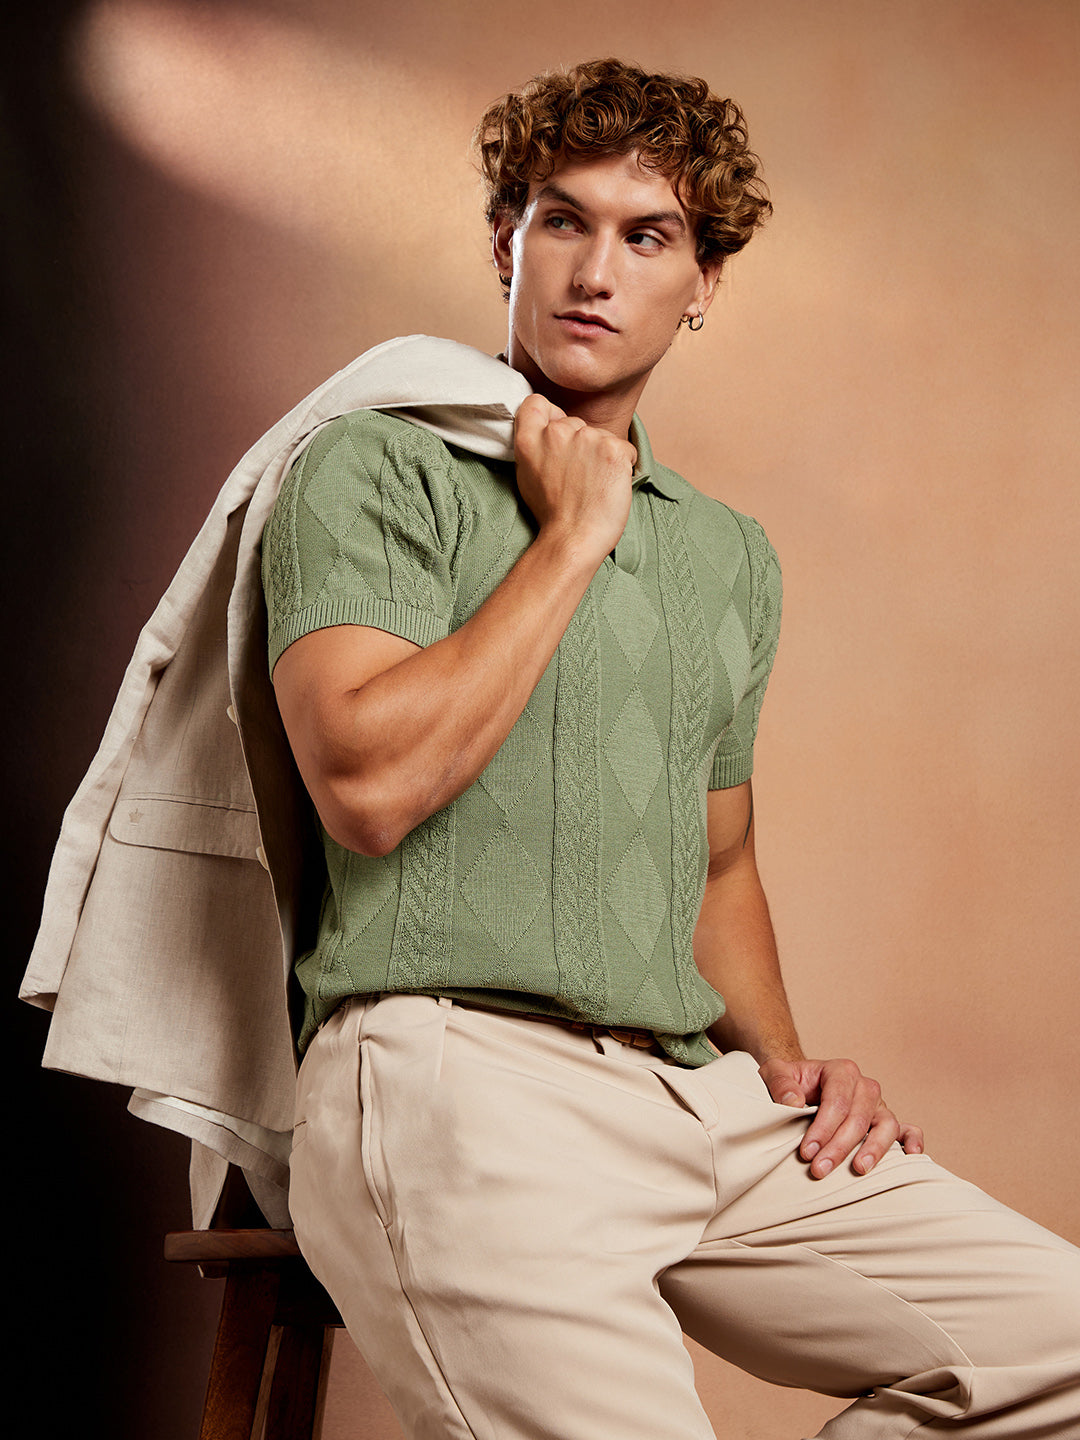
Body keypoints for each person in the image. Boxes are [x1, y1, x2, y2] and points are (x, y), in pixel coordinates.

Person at [261, 59, 1080, 1439]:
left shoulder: (727, 554)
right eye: (562, 222)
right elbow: (368, 789)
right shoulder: (376, 465)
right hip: (458, 1079)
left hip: (690, 1095)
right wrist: (572, 538)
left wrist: (791, 1071)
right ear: (505, 243)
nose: (596, 271)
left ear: (704, 283)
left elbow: (721, 857)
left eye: (648, 237)